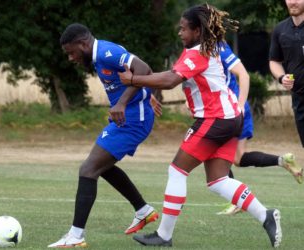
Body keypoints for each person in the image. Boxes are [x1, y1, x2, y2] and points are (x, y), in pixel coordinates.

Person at [119, 4, 282, 248]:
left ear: (197, 31)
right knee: (218, 180)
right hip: (228, 120)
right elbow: (172, 75)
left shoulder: (198, 53)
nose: (180, 32)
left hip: (214, 120)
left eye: (184, 29)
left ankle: (164, 235)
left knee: (177, 170)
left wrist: (133, 79)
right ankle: (265, 215)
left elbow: (170, 80)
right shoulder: (205, 49)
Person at [48, 23, 160, 248]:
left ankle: (75, 236)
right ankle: (143, 210)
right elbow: (138, 76)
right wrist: (148, 93)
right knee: (101, 166)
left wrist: (122, 102)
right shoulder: (100, 57)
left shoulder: (108, 53)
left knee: (88, 170)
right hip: (127, 118)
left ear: (83, 44)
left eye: (72, 52)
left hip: (133, 121)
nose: (71, 58)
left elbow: (144, 69)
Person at [217, 42, 303, 215]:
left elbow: (242, 74)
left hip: (233, 109)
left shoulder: (218, 48)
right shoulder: (208, 47)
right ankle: (282, 160)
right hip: (230, 109)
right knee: (238, 158)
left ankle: (238, 201)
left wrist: (239, 106)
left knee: (219, 153)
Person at [269, 0, 304, 148]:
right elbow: (274, 61)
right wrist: (282, 77)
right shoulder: (280, 29)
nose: (293, 2)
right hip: (299, 99)